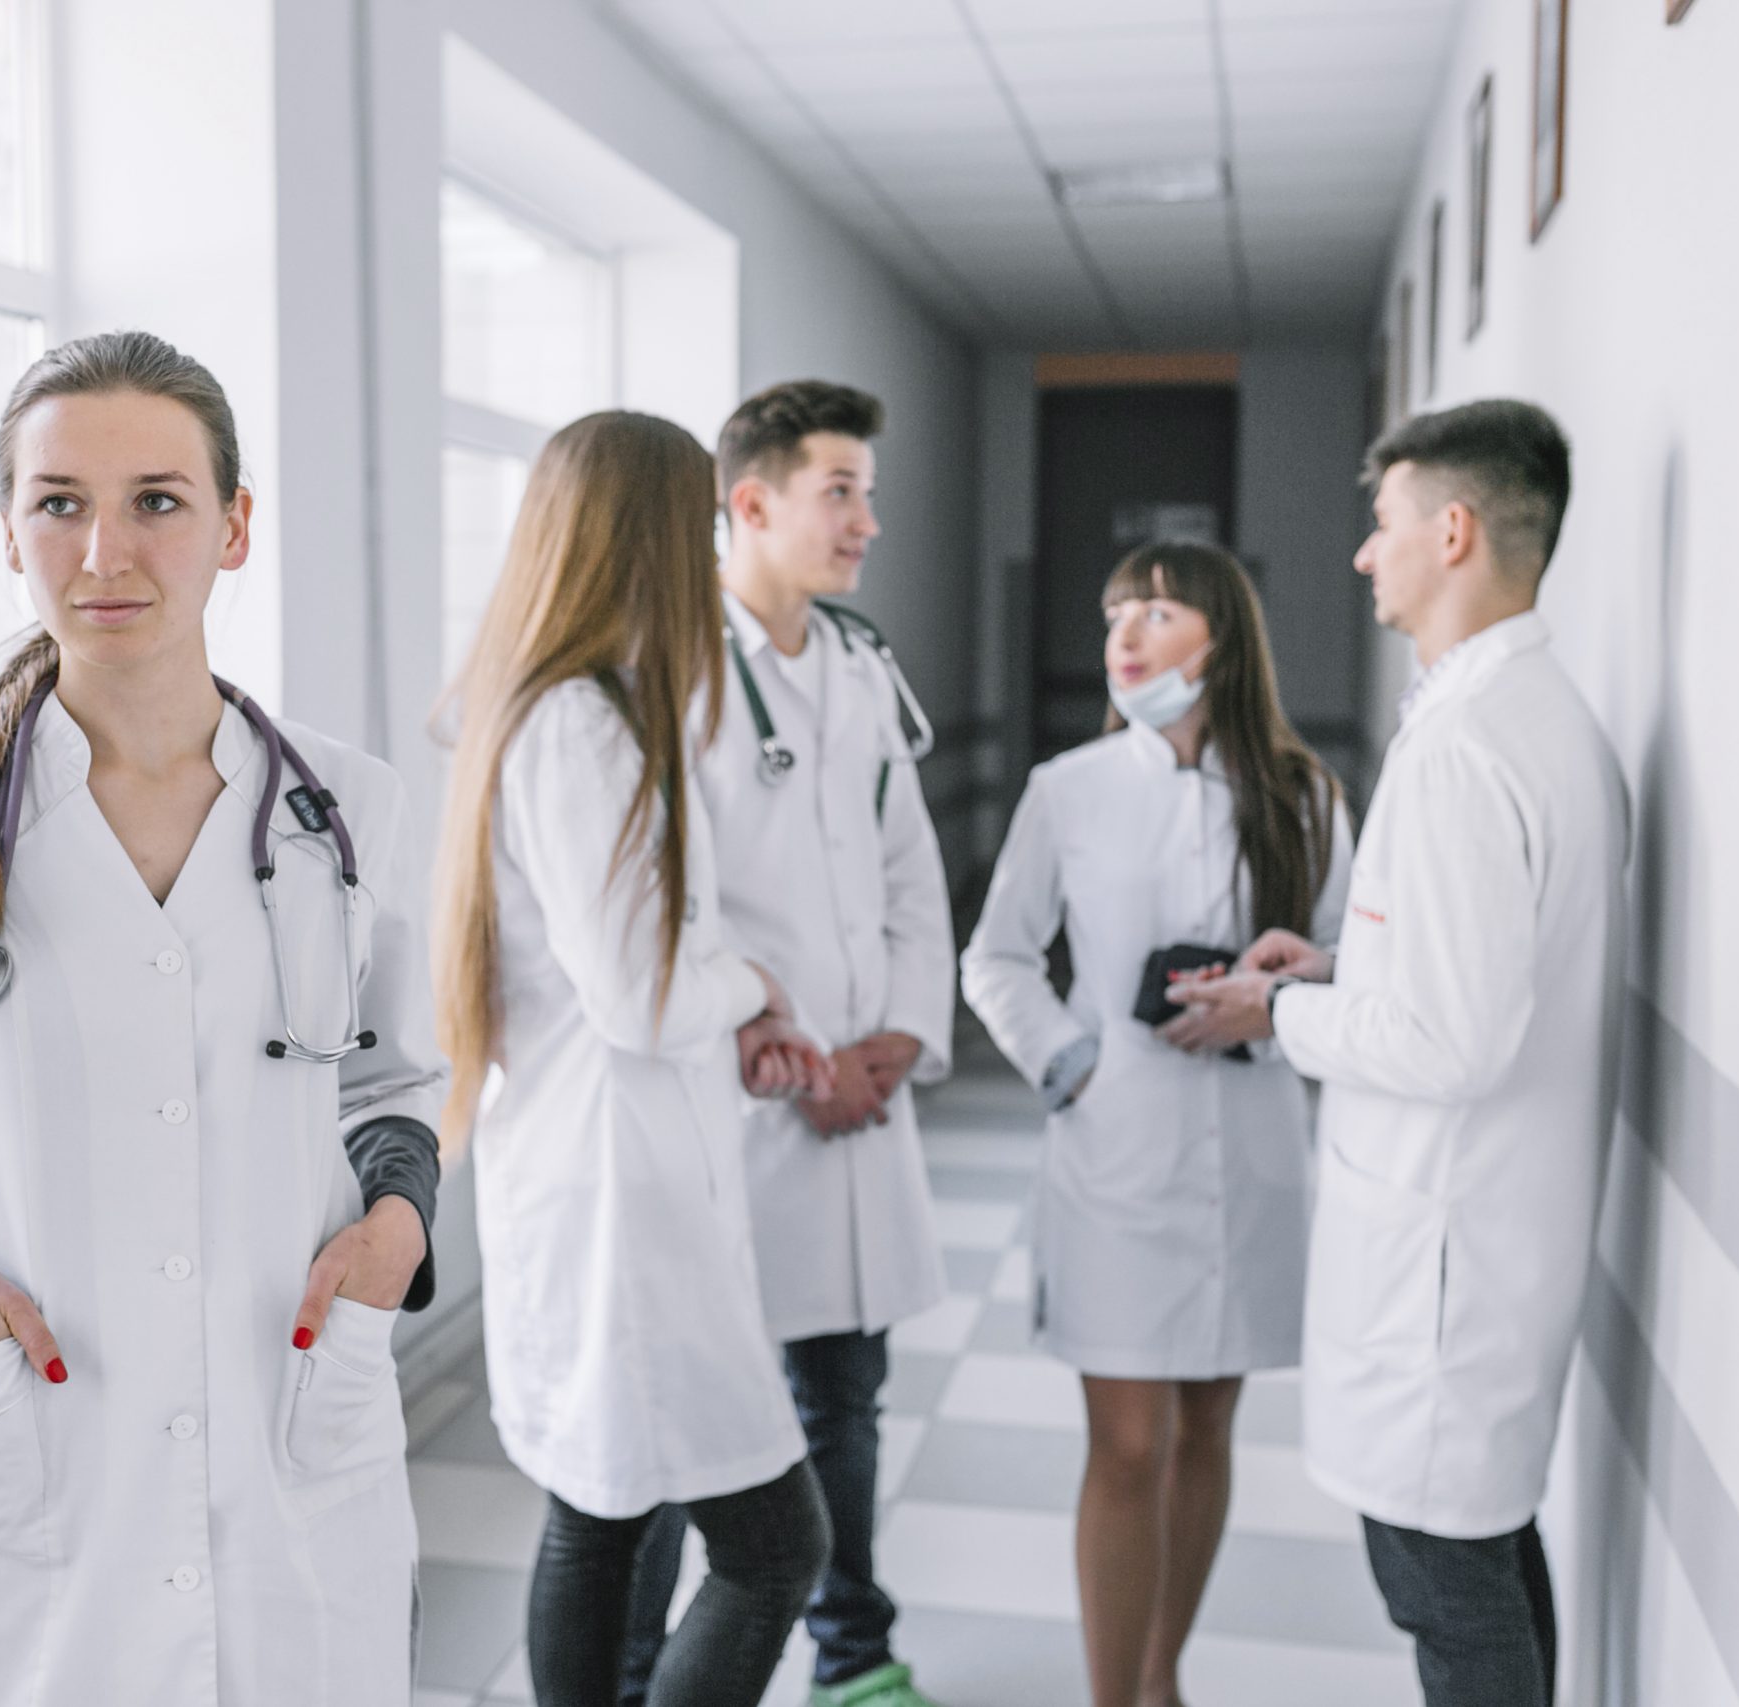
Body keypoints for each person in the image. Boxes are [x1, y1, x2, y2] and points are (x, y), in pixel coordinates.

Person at [0, 332, 446, 1703]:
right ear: (9, 529)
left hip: (297, 1446)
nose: (105, 548)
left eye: (157, 500)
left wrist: (398, 1225)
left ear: (235, 527)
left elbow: (396, 1084)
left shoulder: (349, 809)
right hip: (33, 1458)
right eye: (60, 500)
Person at [1165, 400, 1628, 1707]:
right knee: (1481, 1551)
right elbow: (1474, 971)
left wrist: (1277, 1015)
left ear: (1457, 528)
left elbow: (1454, 1038)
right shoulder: (1534, 718)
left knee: (1445, 1581)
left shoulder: (1473, 745)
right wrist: (1330, 967)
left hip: (1449, 1261)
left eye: (1382, 525)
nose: (1366, 555)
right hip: (1482, 1244)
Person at [430, 409, 839, 1707]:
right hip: (624, 1199)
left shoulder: (561, 712)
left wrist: (729, 1003)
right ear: (649, 539)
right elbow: (639, 995)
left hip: (603, 1172)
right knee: (776, 1544)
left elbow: (641, 966)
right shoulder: (583, 729)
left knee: (602, 1515)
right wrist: (757, 982)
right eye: (702, 525)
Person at [961, 541, 1350, 1707]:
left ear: (1221, 639)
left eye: (1159, 612)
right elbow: (997, 958)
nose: (1125, 633)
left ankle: (1159, 1672)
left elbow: (1357, 968)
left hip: (1252, 1149)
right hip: (1116, 1147)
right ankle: (1111, 1694)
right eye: (1114, 611)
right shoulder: (1067, 788)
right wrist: (1073, 1067)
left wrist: (1273, 1008)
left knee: (1205, 1429)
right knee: (1127, 1444)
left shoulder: (1305, 793)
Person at [619, 381, 956, 1707]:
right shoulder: (665, 667)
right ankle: (640, 1674)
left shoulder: (864, 665)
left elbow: (910, 873)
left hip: (858, 1092)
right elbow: (655, 901)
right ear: (749, 502)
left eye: (867, 490)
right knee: (657, 1423)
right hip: (731, 1099)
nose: (868, 519)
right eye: (842, 491)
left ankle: (855, 1653)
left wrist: (898, 1034)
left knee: (843, 1400)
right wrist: (782, 1045)